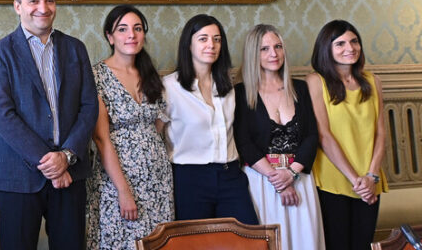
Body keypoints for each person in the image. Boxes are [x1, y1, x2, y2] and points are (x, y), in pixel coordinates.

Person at [0, 0, 98, 249]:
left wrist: (66, 157)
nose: (43, 8)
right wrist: (51, 164)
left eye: (50, 0)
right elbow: (2, 115)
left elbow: (88, 107)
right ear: (17, 6)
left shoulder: (75, 48)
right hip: (19, 176)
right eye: (33, 1)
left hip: (71, 174)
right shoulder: (0, 52)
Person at [86, 5, 173, 249]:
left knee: (156, 242)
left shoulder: (150, 74)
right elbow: (101, 138)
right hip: (117, 179)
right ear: (110, 37)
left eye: (137, 29)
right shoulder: (97, 76)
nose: (131, 35)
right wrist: (123, 191)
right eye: (122, 29)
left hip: (157, 178)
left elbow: (157, 124)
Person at [234, 24, 324, 250]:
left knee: (306, 242)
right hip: (262, 182)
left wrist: (291, 173)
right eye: (264, 49)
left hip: (300, 178)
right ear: (253, 53)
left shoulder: (300, 88)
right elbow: (244, 142)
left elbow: (311, 136)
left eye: (278, 47)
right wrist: (279, 182)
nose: (273, 54)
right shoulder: (240, 93)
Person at [163, 14, 257, 224]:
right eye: (203, 39)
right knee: (195, 240)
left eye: (217, 39)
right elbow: (154, 135)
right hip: (189, 177)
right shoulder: (169, 87)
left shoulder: (228, 86)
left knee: (247, 236)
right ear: (189, 44)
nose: (211, 45)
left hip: (230, 174)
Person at [307, 20, 387, 250]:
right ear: (326, 48)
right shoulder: (316, 81)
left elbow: (381, 133)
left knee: (362, 244)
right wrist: (356, 181)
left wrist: (371, 176)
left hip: (369, 180)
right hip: (333, 179)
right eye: (340, 44)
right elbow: (324, 136)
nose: (350, 48)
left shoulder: (373, 81)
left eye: (354, 41)